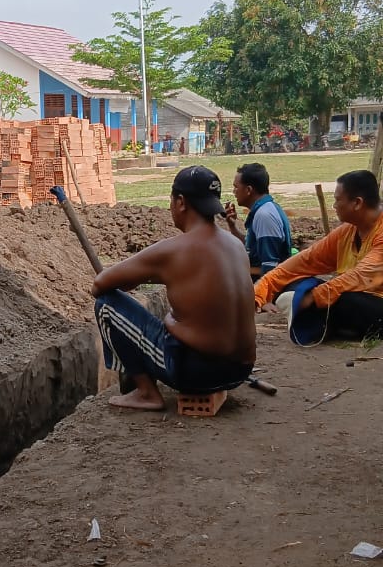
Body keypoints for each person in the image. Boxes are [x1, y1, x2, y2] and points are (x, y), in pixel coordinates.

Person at [93, 166, 256, 411]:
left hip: (195, 374)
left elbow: (100, 285)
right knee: (173, 321)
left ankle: (147, 393)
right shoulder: (234, 245)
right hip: (240, 371)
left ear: (180, 202)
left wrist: (168, 316)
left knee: (106, 305)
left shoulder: (173, 250)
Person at [255, 170, 383, 342]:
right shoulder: (346, 232)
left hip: (371, 303)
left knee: (343, 299)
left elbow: (359, 277)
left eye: (338, 200)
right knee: (293, 283)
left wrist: (312, 297)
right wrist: (259, 293)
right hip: (354, 297)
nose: (334, 206)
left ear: (357, 203)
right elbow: (304, 261)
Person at [224, 162, 292, 277]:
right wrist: (233, 227)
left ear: (248, 190)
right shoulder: (265, 209)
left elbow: (271, 270)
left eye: (236, 187)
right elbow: (253, 249)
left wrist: (235, 270)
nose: (234, 192)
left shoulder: (264, 216)